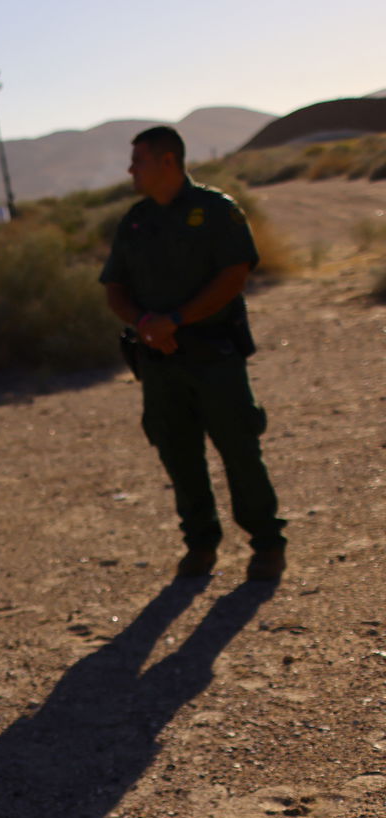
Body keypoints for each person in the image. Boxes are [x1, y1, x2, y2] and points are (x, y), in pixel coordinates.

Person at [101, 126, 287, 582]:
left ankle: (266, 543)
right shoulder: (135, 221)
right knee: (178, 454)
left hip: (212, 355)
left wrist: (176, 320)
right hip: (159, 361)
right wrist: (146, 325)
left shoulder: (216, 210)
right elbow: (115, 287)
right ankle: (200, 544)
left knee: (238, 448)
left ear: (168, 161)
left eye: (138, 160)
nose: (130, 170)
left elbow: (234, 276)